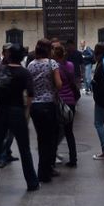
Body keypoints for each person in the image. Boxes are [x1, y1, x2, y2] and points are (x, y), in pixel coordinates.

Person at [0, 44, 40, 195]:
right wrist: (26, 113)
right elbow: (30, 94)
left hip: (0, 111)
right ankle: (32, 183)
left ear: (9, 55)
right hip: (17, 111)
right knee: (24, 148)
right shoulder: (24, 73)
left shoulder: (1, 69)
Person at [27, 38, 63, 183]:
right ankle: (45, 171)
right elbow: (59, 84)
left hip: (35, 106)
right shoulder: (51, 63)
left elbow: (29, 86)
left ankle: (43, 171)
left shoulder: (30, 65)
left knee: (41, 138)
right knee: (50, 140)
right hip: (48, 104)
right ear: (48, 50)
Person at [53, 43, 78, 168]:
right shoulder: (71, 65)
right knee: (69, 132)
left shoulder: (54, 67)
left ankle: (52, 155)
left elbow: (55, 84)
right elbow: (72, 81)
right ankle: (73, 158)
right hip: (70, 100)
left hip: (59, 101)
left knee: (55, 130)